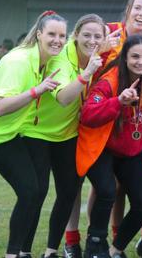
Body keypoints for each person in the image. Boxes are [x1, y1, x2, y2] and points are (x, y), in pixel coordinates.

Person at [23, 14, 106, 258]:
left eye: (97, 36)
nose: (92, 40)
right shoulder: (61, 57)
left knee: (69, 191)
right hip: (37, 132)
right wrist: (87, 73)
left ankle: (51, 250)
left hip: (67, 135)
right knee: (37, 192)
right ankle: (24, 251)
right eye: (87, 35)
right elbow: (63, 99)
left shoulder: (101, 55)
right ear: (76, 35)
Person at [0, 11, 67, 258]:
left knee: (32, 191)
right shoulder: (19, 61)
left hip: (8, 136)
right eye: (51, 34)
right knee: (30, 191)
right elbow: (1, 107)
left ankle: (15, 253)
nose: (57, 40)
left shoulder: (44, 61)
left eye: (62, 35)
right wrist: (37, 90)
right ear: (38, 34)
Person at [77, 34, 142, 258]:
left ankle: (115, 249)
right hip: (101, 147)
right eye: (135, 57)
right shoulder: (109, 80)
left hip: (131, 150)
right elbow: (88, 115)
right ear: (124, 58)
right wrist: (118, 101)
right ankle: (95, 245)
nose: (141, 61)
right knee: (106, 190)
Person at [103, 0, 142, 64]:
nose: (141, 13)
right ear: (127, 10)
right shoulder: (109, 30)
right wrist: (101, 49)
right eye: (137, 8)